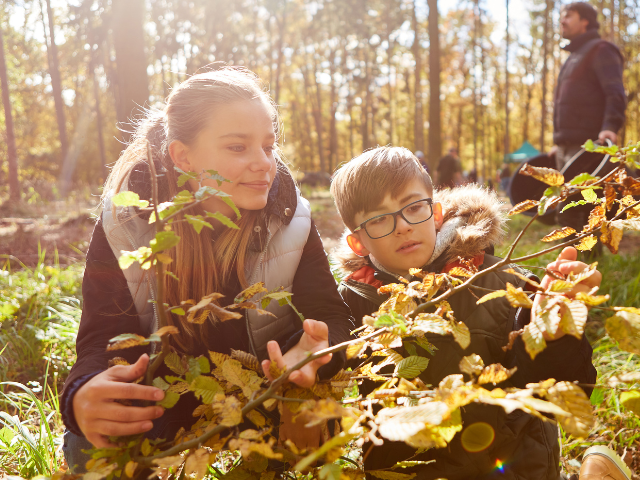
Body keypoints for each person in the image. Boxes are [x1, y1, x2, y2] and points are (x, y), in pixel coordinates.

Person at [60, 67, 353, 471]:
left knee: (321, 410)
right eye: (237, 147)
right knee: (91, 437)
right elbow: (102, 338)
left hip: (262, 394)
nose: (263, 163)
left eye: (269, 146)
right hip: (160, 405)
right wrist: (82, 394)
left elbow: (331, 315)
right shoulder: (127, 223)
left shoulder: (291, 218)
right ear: (183, 156)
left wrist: (318, 353)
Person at [329, 147, 600, 479]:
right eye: (380, 218)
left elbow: (568, 391)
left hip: (509, 469)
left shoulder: (503, 285)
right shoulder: (349, 305)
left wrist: (554, 333)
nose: (402, 226)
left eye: (414, 207)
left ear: (436, 213)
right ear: (358, 243)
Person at [552, 2, 626, 243]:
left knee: (579, 210)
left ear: (585, 20)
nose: (563, 20)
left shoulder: (601, 49)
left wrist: (610, 127)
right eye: (562, 15)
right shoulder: (573, 57)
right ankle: (575, 269)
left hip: (589, 148)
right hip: (566, 147)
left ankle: (583, 272)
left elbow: (615, 92)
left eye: (569, 15)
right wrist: (558, 141)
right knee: (571, 212)